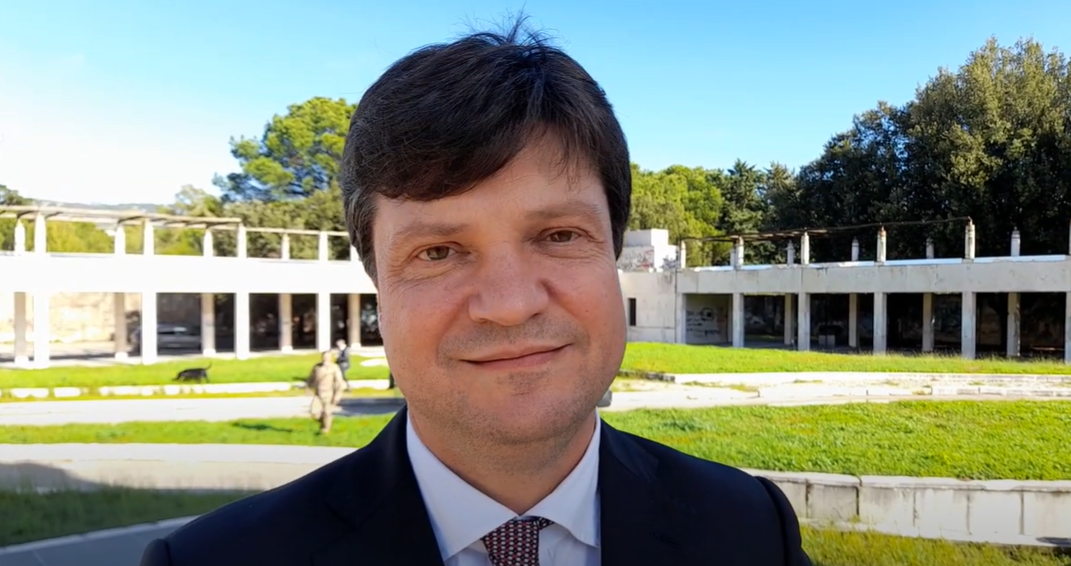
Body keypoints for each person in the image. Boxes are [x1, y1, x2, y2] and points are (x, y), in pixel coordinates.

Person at [140, 18, 812, 566]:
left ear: (613, 254)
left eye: (558, 235)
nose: (510, 304)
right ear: (377, 286)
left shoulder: (751, 531)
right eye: (438, 251)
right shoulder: (209, 561)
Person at [305, 350, 346, 434]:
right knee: (314, 412)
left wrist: (337, 395)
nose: (325, 359)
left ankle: (325, 430)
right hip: (318, 393)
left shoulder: (334, 368)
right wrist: (308, 388)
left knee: (327, 412)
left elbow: (339, 383)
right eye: (324, 357)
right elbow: (310, 378)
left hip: (329, 393)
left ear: (330, 358)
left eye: (327, 357)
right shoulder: (317, 367)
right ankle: (322, 421)